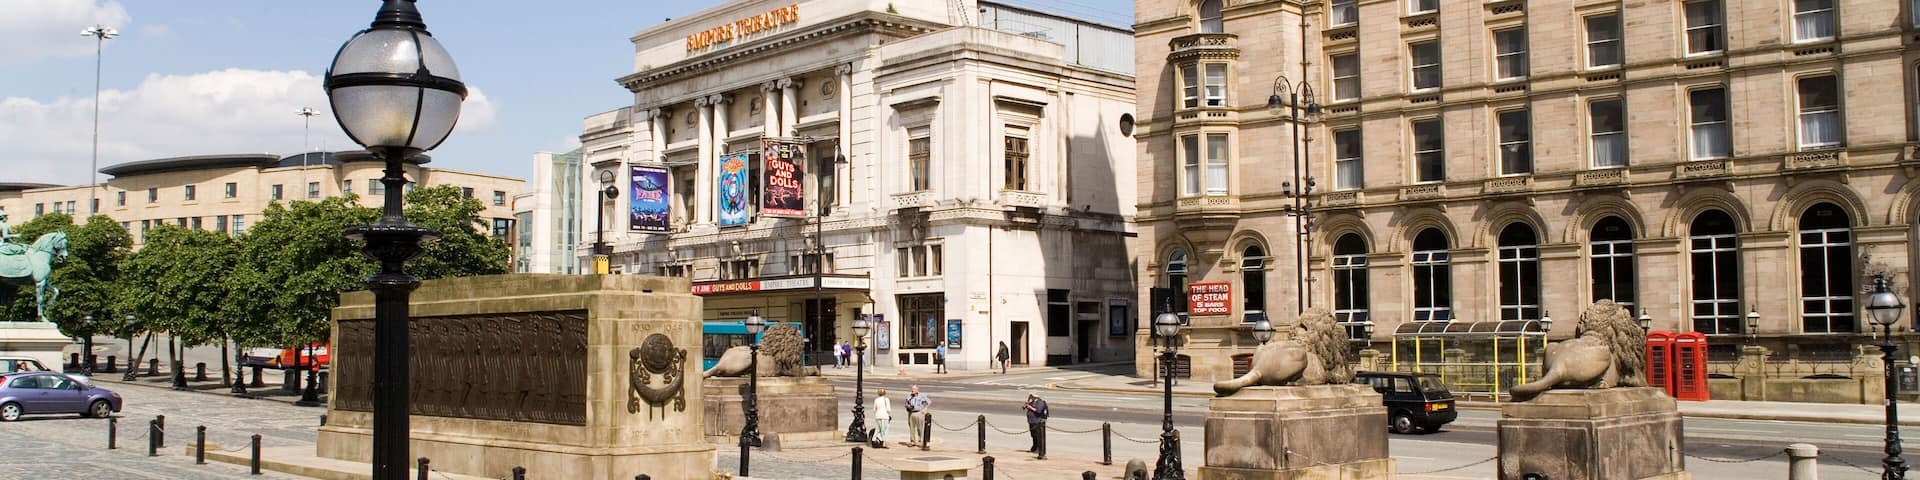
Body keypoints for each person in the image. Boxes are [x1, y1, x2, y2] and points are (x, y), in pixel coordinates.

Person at [1023, 393, 1050, 459]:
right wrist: (1027, 404)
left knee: (1038, 435)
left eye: (1032, 396)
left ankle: (1038, 449)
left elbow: (1038, 411)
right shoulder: (1031, 402)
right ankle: (1034, 447)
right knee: (1033, 435)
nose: (1031, 397)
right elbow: (1023, 408)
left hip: (1037, 421)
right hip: (1031, 421)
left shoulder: (1040, 402)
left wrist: (1030, 407)